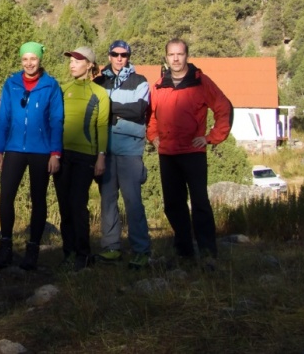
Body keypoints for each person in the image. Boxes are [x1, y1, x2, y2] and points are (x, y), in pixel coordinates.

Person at [147, 38, 233, 269]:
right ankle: (184, 249)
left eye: (180, 54)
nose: (175, 59)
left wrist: (211, 137)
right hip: (167, 153)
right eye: (171, 55)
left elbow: (224, 108)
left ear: (187, 56)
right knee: (173, 204)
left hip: (193, 152)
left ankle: (207, 252)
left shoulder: (201, 82)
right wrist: (153, 136)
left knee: (200, 203)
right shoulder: (158, 86)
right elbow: (151, 116)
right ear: (166, 57)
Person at [0, 42, 64, 270]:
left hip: (41, 151)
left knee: (38, 199)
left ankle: (33, 249)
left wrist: (55, 153)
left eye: (33, 59)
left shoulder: (51, 86)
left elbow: (56, 120)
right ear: (21, 60)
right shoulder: (11, 84)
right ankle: (5, 246)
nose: (29, 63)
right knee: (6, 198)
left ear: (40, 59)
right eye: (25, 59)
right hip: (13, 148)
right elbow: (3, 119)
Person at [93, 40, 152, 269]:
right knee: (108, 201)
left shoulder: (140, 81)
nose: (119, 58)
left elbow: (139, 110)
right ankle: (111, 247)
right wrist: (118, 110)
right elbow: (94, 109)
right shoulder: (99, 80)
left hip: (130, 149)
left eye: (124, 54)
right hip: (104, 150)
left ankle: (141, 250)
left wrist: (109, 107)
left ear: (128, 56)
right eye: (115, 54)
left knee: (133, 201)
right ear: (109, 56)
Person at [55, 47, 109, 271]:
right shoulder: (61, 89)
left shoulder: (99, 93)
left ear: (90, 65)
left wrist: (101, 157)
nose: (72, 64)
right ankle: (68, 253)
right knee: (65, 206)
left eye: (78, 60)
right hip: (61, 155)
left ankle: (83, 254)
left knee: (78, 204)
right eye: (71, 60)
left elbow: (102, 127)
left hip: (85, 156)